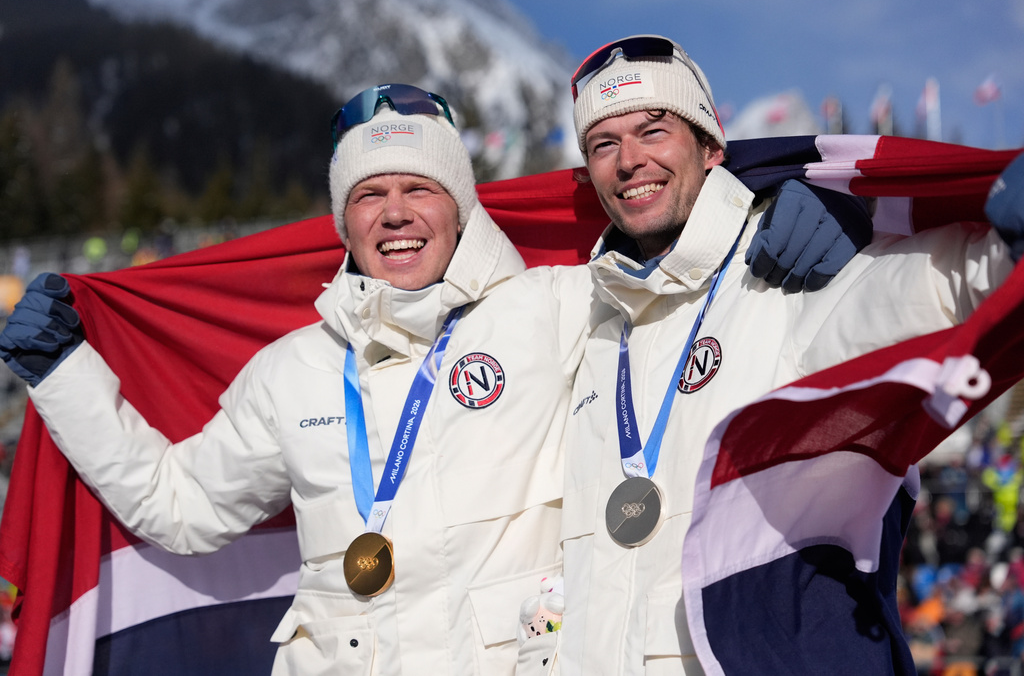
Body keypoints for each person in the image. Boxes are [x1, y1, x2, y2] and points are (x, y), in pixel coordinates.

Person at [0, 83, 871, 675]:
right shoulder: (295, 370)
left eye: (418, 186)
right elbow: (179, 509)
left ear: (460, 204)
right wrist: (64, 371)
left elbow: (668, 262)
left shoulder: (553, 309)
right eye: (368, 194)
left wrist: (782, 203)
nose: (395, 213)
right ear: (345, 220)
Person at [558, 34, 1023, 675]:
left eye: (653, 130)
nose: (629, 160)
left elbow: (933, 290)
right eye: (604, 144)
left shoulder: (786, 268)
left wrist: (1007, 243)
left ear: (712, 147)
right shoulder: (578, 316)